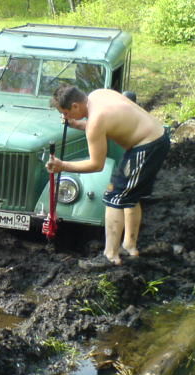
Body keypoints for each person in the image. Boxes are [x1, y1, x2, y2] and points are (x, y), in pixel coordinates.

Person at [46, 85, 170, 265]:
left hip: (147, 146)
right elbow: (111, 121)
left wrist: (62, 166)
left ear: (75, 106)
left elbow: (96, 164)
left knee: (114, 197)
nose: (65, 117)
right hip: (155, 138)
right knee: (129, 196)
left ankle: (110, 256)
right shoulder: (98, 95)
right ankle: (129, 246)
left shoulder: (96, 121)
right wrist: (77, 124)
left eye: (65, 113)